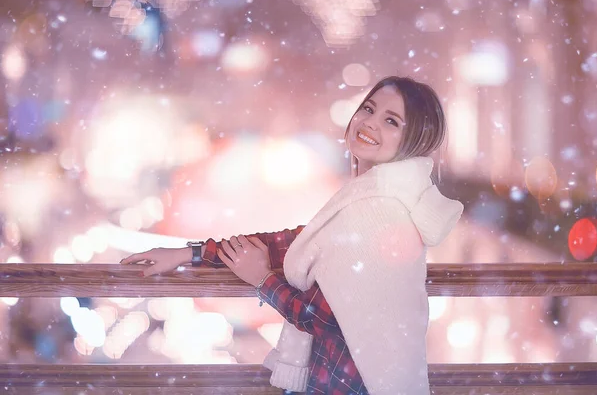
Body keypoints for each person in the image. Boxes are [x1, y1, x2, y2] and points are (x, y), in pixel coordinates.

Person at [121, 76, 464, 395]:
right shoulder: (370, 199)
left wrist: (261, 279)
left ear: (414, 140)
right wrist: (188, 254)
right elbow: (292, 241)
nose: (370, 122)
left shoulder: (379, 211)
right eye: (369, 109)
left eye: (392, 121)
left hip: (352, 385)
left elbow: (329, 319)